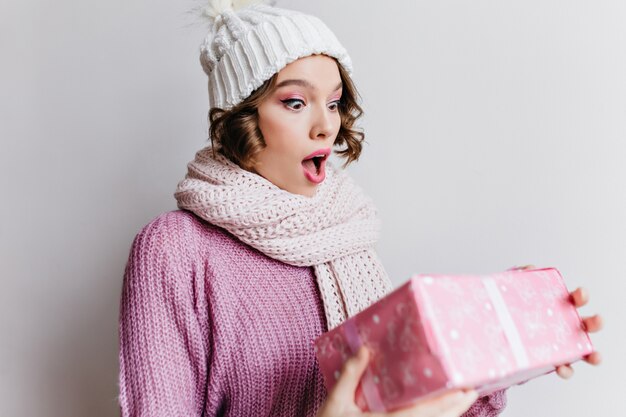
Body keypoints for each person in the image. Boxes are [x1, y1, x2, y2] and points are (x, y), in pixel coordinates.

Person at [117, 2, 603, 416]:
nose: (325, 127)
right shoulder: (176, 250)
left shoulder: (345, 234)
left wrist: (495, 343)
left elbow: (401, 401)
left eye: (333, 103)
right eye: (294, 102)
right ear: (241, 118)